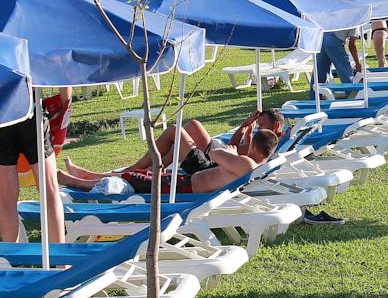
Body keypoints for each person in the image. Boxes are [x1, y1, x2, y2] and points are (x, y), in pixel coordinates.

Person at [57, 125, 279, 195]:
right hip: (187, 183)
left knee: (132, 178)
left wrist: (230, 153)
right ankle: (85, 176)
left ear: (253, 146)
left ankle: (75, 182)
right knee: (141, 175)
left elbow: (214, 154)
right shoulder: (257, 167)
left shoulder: (246, 164)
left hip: (186, 188)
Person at [0, 97, 65, 243]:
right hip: (30, 108)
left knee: (6, 198)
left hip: (4, 113)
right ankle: (60, 256)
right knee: (49, 191)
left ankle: (11, 255)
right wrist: (64, 102)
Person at [310, 26, 362, 99]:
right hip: (333, 40)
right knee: (344, 70)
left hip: (322, 37)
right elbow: (351, 44)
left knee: (319, 71)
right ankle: (353, 95)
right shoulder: (355, 23)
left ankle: (314, 98)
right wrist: (357, 63)